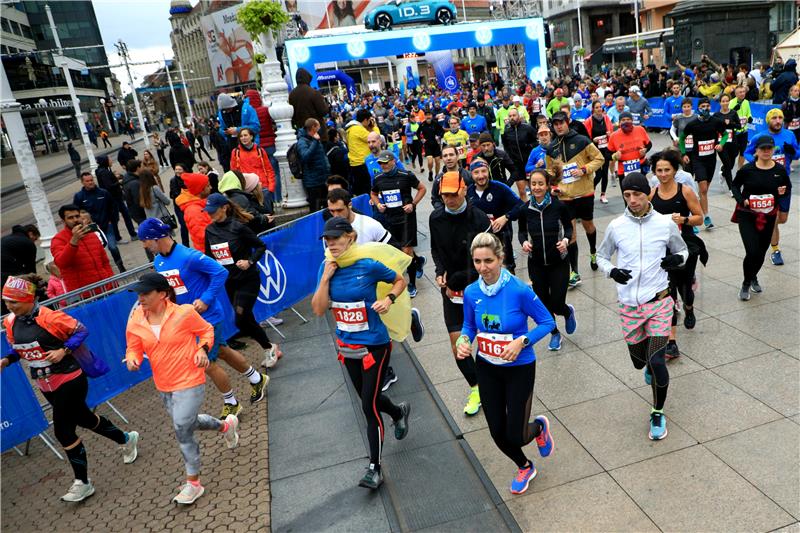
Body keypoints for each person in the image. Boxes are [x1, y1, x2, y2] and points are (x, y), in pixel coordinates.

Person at [2, 274, 139, 503]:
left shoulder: (49, 317)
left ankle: (82, 483)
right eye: (6, 301)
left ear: (29, 299)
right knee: (84, 418)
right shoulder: (9, 322)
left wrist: (63, 350)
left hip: (69, 377)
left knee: (63, 431)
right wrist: (6, 360)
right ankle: (127, 438)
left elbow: (81, 331)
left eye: (13, 301)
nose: (9, 306)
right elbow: (19, 349)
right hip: (44, 383)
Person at [311, 216, 412, 490]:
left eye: (337, 239)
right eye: (327, 240)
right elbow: (319, 309)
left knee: (368, 406)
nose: (332, 244)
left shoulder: (367, 265)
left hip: (375, 347)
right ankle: (398, 411)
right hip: (347, 348)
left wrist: (388, 299)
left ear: (350, 238)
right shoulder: (328, 268)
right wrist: (324, 279)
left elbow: (399, 280)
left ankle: (374, 468)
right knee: (372, 398)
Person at [124, 273, 239, 505]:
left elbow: (207, 331)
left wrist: (202, 350)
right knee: (189, 422)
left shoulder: (183, 313)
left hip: (190, 378)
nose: (141, 298)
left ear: (163, 294)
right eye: (139, 293)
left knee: (182, 430)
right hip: (163, 384)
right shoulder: (137, 317)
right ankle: (226, 426)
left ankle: (193, 484)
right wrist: (132, 359)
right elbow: (133, 346)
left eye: (145, 293)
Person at [455, 232, 555, 495]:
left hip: (519, 368)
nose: (483, 267)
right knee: (497, 433)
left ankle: (539, 427)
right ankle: (525, 466)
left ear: (500, 258)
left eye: (488, 260)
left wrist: (522, 341)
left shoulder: (519, 290)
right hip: (487, 367)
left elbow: (547, 322)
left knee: (517, 435)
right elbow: (468, 325)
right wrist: (464, 340)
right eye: (477, 261)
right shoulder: (471, 292)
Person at [138, 218, 270, 416]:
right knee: (223, 352)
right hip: (188, 321)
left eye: (144, 240)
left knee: (206, 363)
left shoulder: (189, 256)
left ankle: (232, 402)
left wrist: (206, 299)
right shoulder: (158, 262)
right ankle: (257, 379)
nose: (143, 245)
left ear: (155, 238)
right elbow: (171, 291)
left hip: (208, 318)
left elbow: (219, 272)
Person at [596, 172, 688, 441]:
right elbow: (602, 256)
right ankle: (646, 363)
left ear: (648, 194)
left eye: (637, 194)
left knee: (658, 359)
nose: (632, 200)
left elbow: (682, 251)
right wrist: (612, 271)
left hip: (659, 301)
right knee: (640, 362)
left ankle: (657, 411)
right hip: (629, 305)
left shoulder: (664, 224)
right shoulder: (616, 226)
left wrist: (676, 260)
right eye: (627, 195)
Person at [429, 172, 492, 415]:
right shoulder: (436, 218)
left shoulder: (478, 218)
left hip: (479, 288)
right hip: (452, 292)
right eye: (444, 194)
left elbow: (491, 257)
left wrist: (476, 280)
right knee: (460, 347)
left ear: (464, 189)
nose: (448, 199)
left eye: (453, 194)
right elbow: (435, 249)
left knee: (488, 342)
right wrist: (440, 271)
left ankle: (494, 385)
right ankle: (476, 387)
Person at [204, 193, 281, 369]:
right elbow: (209, 257)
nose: (210, 214)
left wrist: (250, 261)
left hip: (248, 279)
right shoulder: (209, 230)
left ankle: (269, 347)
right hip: (230, 282)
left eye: (213, 211)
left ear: (224, 208)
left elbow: (261, 245)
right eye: (207, 212)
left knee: (240, 319)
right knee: (247, 318)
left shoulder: (238, 227)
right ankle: (270, 347)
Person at [649, 151, 706, 359]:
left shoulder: (686, 191)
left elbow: (700, 218)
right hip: (663, 251)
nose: (663, 174)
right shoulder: (652, 194)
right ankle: (671, 341)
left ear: (675, 170)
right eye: (659, 170)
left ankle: (689, 307)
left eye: (667, 170)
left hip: (685, 246)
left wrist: (683, 219)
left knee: (685, 290)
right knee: (668, 293)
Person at [519, 169, 577, 351]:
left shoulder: (558, 206)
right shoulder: (525, 209)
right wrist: (524, 242)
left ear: (547, 185)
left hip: (558, 262)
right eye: (533, 184)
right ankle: (555, 333)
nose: (537, 187)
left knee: (557, 303)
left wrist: (566, 240)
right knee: (543, 305)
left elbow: (568, 228)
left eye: (540, 184)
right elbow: (521, 231)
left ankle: (567, 311)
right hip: (536, 264)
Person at [546, 111, 605, 289]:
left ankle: (594, 252)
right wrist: (552, 187)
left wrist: (584, 169)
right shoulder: (552, 147)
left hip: (585, 193)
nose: (558, 126)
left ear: (568, 122)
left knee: (588, 226)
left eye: (561, 123)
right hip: (565, 196)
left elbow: (599, 158)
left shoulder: (581, 140)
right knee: (570, 234)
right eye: (555, 124)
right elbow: (551, 172)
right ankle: (575, 271)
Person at [732, 135, 791, 300]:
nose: (766, 151)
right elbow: (735, 185)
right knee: (752, 251)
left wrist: (782, 192)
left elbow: (787, 188)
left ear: (773, 150)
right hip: (748, 215)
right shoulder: (747, 169)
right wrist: (741, 200)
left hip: (769, 215)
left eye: (769, 149)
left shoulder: (779, 170)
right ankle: (745, 283)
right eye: (762, 149)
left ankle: (753, 276)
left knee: (761, 253)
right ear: (756, 151)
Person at [743, 108, 798, 266]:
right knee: (773, 218)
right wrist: (756, 161)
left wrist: (793, 151)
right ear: (768, 120)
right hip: (766, 183)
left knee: (783, 218)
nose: (778, 121)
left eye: (780, 117)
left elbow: (797, 154)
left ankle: (763, 224)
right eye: (774, 118)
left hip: (783, 181)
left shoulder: (789, 134)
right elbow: (748, 152)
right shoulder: (760, 137)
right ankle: (775, 250)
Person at [370, 150, 427, 298]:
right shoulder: (378, 178)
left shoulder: (406, 175)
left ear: (393, 161)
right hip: (390, 219)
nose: (383, 165)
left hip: (407, 218)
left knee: (406, 252)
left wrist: (413, 204)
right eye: (381, 163)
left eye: (385, 162)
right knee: (398, 250)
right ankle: (418, 261)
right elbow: (373, 193)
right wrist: (378, 204)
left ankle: (412, 284)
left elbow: (422, 188)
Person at [467, 158, 524, 274]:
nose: (481, 175)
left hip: (501, 238)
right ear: (471, 174)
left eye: (484, 171)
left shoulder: (499, 187)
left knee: (506, 273)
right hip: (479, 242)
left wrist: (506, 217)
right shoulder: (468, 192)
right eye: (476, 172)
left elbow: (521, 205)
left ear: (488, 171)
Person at [680, 97, 728, 229]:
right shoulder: (693, 124)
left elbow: (725, 135)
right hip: (697, 159)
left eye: (707, 106)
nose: (705, 108)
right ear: (698, 108)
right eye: (703, 106)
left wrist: (721, 144)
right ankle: (705, 216)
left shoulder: (716, 122)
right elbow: (682, 138)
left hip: (711, 160)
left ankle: (694, 213)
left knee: (704, 191)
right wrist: (684, 153)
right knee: (704, 189)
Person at [50, 204, 114, 293]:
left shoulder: (91, 234)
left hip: (106, 287)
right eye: (70, 218)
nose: (75, 220)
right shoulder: (58, 239)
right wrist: (73, 241)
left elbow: (105, 261)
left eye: (77, 216)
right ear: (63, 221)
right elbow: (61, 263)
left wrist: (112, 282)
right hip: (84, 294)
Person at [72, 172, 126, 272]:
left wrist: (112, 221)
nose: (90, 182)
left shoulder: (103, 192)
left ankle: (120, 266)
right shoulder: (79, 197)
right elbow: (76, 213)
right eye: (87, 181)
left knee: (113, 247)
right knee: (96, 251)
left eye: (91, 180)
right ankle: (102, 270)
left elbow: (113, 206)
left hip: (107, 225)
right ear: (82, 182)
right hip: (91, 229)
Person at [95, 155, 137, 243]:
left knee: (124, 215)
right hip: (114, 199)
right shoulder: (104, 172)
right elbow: (108, 186)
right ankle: (119, 237)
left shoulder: (103, 170)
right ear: (105, 161)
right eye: (109, 159)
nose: (111, 161)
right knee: (116, 218)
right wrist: (119, 182)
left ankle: (131, 234)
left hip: (115, 198)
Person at [230, 127, 275, 205]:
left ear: (251, 137)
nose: (243, 138)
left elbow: (269, 169)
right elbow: (234, 173)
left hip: (262, 187)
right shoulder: (235, 152)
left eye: (245, 135)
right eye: (241, 136)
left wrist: (270, 188)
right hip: (247, 189)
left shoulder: (260, 150)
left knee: (268, 212)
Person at [1, 224, 39, 314]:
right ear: (30, 234)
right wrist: (36, 284)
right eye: (35, 239)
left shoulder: (7, 239)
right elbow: (31, 269)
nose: (34, 242)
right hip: (7, 274)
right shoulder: (28, 243)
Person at [501, 107, 536, 200]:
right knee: (522, 191)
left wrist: (529, 146)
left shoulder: (527, 128)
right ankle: (525, 212)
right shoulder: (507, 130)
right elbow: (505, 146)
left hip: (529, 163)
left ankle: (535, 209)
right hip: (517, 165)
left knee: (533, 190)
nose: (512, 117)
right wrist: (510, 158)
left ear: (519, 116)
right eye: (510, 116)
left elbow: (536, 141)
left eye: (514, 115)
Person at [296, 118, 331, 211]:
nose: (320, 127)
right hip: (313, 182)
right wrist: (315, 142)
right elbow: (305, 157)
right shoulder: (302, 141)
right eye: (318, 125)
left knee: (327, 206)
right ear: (313, 127)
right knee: (315, 209)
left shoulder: (315, 138)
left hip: (322, 179)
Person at [583, 101, 614, 203]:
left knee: (605, 173)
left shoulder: (606, 118)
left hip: (605, 149)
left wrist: (609, 134)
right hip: (595, 151)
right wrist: (593, 140)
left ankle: (603, 194)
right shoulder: (589, 121)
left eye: (600, 107)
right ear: (593, 109)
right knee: (599, 174)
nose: (599, 109)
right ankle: (590, 191)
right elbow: (585, 137)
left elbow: (611, 132)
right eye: (597, 107)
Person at [288, 67, 329, 142]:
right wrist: (326, 105)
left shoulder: (292, 95)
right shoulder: (313, 92)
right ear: (307, 78)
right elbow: (323, 111)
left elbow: (292, 115)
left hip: (302, 133)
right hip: (317, 132)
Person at [176, 172, 212, 252]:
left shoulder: (199, 204)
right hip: (209, 252)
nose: (211, 187)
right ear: (200, 189)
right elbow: (203, 236)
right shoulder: (194, 211)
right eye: (208, 186)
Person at [347, 109, 381, 195]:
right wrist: (375, 126)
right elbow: (376, 137)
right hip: (362, 163)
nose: (370, 122)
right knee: (368, 189)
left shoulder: (351, 128)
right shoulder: (358, 129)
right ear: (365, 120)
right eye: (369, 120)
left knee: (361, 189)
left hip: (355, 163)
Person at [431, 144, 472, 209]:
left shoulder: (468, 176)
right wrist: (443, 211)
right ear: (442, 159)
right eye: (445, 156)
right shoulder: (439, 179)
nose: (448, 158)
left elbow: (474, 196)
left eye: (451, 155)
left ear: (457, 156)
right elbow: (435, 199)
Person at [713, 93, 740, 192]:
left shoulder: (733, 113)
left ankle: (723, 173)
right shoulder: (716, 115)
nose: (725, 103)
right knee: (728, 166)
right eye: (723, 101)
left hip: (732, 143)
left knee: (731, 164)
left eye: (727, 101)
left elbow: (739, 126)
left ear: (729, 101)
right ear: (720, 103)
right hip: (721, 144)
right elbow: (714, 129)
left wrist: (731, 123)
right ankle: (731, 188)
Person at [419, 110, 444, 182]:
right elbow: (418, 133)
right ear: (425, 116)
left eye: (429, 115)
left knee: (438, 162)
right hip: (427, 146)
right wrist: (421, 139)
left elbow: (441, 131)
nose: (428, 116)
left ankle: (436, 175)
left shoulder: (435, 123)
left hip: (436, 145)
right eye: (427, 115)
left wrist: (439, 136)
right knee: (430, 162)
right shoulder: (422, 124)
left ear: (432, 116)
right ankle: (430, 172)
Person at [122, 159, 147, 227]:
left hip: (136, 213)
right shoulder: (134, 183)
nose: (143, 168)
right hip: (141, 215)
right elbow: (138, 200)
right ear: (137, 168)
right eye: (142, 166)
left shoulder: (128, 178)